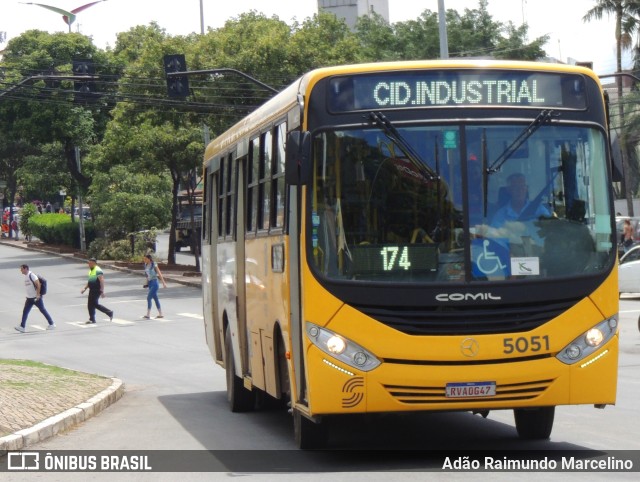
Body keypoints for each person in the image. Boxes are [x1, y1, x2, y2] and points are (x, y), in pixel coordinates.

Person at [16, 264, 55, 332]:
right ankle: (22, 327)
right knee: (25, 312)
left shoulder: (32, 275)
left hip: (35, 298)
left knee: (42, 310)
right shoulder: (26, 276)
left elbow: (38, 284)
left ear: (26, 269)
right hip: (29, 298)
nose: (21, 271)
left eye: (22, 269)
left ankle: (52, 324)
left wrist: (37, 295)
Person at [81, 257, 114, 324]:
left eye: (90, 263)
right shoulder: (91, 270)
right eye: (89, 263)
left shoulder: (97, 270)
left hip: (96, 290)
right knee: (91, 305)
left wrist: (102, 291)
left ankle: (109, 312)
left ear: (94, 263)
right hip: (92, 289)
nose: (89, 264)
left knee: (94, 304)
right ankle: (92, 319)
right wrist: (85, 288)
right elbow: (90, 281)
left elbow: (101, 280)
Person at [142, 254, 167, 319]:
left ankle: (148, 314)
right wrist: (146, 283)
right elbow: (147, 275)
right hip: (150, 283)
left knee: (148, 297)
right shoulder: (145, 265)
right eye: (144, 259)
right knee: (155, 298)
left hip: (155, 283)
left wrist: (163, 282)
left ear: (149, 259)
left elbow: (159, 273)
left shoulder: (154, 264)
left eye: (145, 259)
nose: (144, 260)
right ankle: (160, 314)